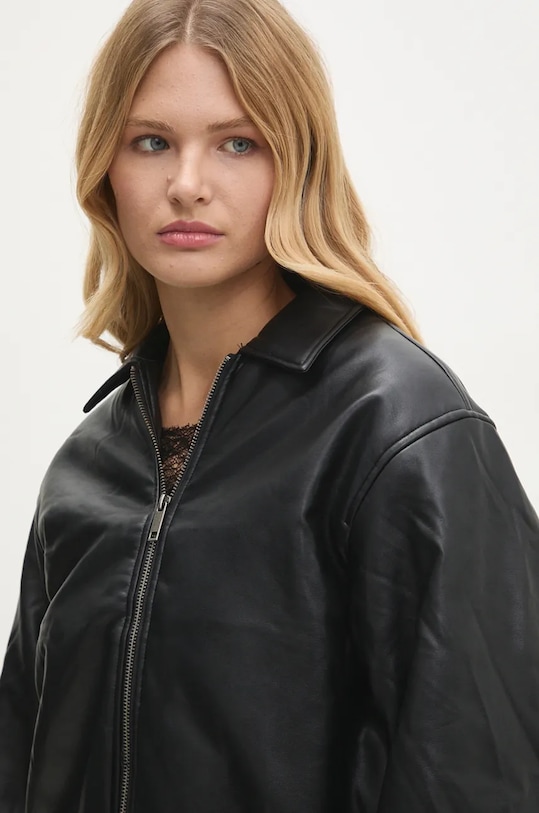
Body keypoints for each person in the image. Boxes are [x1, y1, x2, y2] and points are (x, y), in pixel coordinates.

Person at [1, 0, 538, 810]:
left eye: (237, 143)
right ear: (105, 166)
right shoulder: (85, 470)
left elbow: (476, 776)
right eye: (151, 142)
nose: (187, 184)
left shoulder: (396, 428)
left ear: (298, 162)